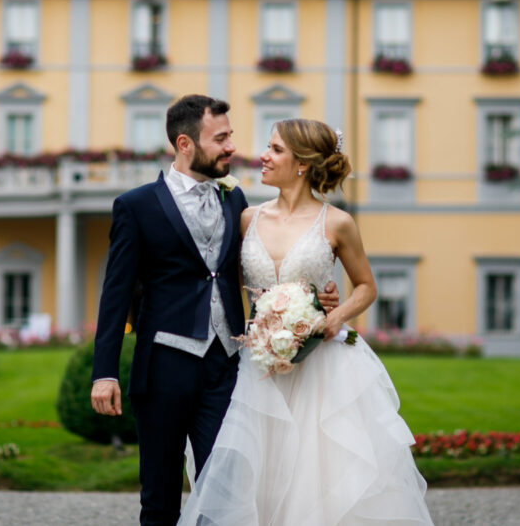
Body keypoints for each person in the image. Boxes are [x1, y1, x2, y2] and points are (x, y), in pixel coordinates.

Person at [90, 96, 337, 525]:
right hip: (162, 367)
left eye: (230, 136)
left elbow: (262, 268)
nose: (231, 148)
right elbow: (115, 295)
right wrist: (104, 371)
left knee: (224, 495)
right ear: (185, 144)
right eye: (220, 138)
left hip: (226, 369)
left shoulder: (234, 199)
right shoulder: (136, 206)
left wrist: (316, 300)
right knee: (160, 498)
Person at [180, 118, 433, 525]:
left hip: (323, 369)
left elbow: (366, 287)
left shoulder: (337, 223)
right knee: (258, 476)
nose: (263, 156)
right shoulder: (248, 219)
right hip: (260, 369)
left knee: (319, 476)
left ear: (301, 164)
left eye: (275, 149)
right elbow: (230, 285)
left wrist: (334, 316)